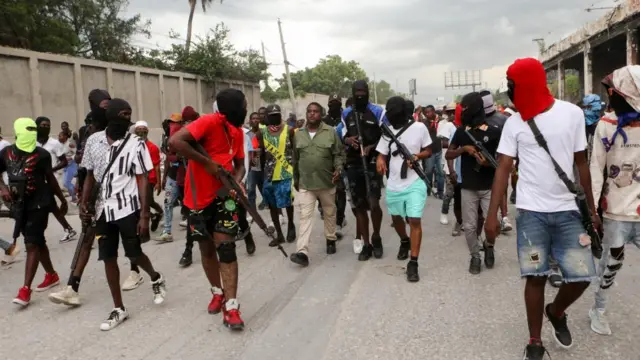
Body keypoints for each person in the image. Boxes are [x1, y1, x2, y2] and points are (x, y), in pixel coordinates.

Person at [484, 58, 598, 359]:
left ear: (528, 84)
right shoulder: (514, 123)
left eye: (512, 86)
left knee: (582, 274)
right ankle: (535, 341)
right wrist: (492, 215)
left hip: (568, 211)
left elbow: (581, 163)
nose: (510, 92)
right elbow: (503, 169)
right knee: (535, 275)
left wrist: (593, 211)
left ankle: (556, 311)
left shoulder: (572, 114)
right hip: (531, 213)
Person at [79, 98, 166, 331]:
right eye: (123, 114)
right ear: (111, 116)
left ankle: (155, 277)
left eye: (129, 115)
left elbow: (143, 178)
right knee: (108, 257)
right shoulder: (93, 141)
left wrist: (145, 216)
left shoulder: (136, 143)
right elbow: (89, 174)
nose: (126, 119)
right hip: (101, 210)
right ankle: (119, 308)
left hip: (127, 208)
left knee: (134, 253)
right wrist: (83, 202)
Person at [169, 88, 248, 331]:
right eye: (243, 105)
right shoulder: (209, 121)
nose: (246, 110)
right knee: (205, 248)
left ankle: (232, 306)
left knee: (226, 247)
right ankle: (217, 292)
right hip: (197, 198)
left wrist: (236, 180)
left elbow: (241, 164)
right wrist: (207, 164)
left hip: (225, 197)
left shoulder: (236, 132)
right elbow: (175, 142)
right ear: (235, 106)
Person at [588, 65, 640, 336]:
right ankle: (598, 310)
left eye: (613, 91)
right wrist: (592, 210)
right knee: (610, 266)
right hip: (616, 213)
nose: (610, 95)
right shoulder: (606, 126)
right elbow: (596, 168)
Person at [48, 89, 113, 306]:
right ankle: (72, 287)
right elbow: (86, 168)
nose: (106, 108)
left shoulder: (116, 128)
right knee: (87, 236)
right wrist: (82, 195)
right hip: (93, 190)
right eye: (102, 105)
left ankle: (142, 271)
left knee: (127, 238)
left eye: (107, 105)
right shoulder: (87, 130)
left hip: (117, 192)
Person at [4, 118, 68, 306]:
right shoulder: (5, 153)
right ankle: (52, 275)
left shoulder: (42, 155)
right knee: (37, 241)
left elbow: (50, 178)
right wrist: (3, 189)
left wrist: (62, 199)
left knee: (31, 243)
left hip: (40, 204)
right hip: (19, 205)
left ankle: (25, 290)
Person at [376, 97, 432, 282]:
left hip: (415, 181)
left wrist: (417, 156)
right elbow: (382, 154)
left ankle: (413, 263)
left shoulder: (419, 128)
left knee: (414, 219)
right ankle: (404, 240)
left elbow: (429, 150)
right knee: (397, 218)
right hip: (394, 183)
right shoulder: (387, 131)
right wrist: (380, 161)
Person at [445, 92, 501, 275]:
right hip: (468, 186)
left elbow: (503, 160)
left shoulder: (493, 131)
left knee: (495, 225)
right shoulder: (461, 132)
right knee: (469, 227)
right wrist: (464, 149)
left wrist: (487, 162)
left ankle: (488, 244)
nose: (463, 111)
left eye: (466, 107)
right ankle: (475, 256)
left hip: (488, 186)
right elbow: (448, 154)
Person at [290, 102, 345, 266]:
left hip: (327, 181)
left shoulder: (330, 132)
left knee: (329, 213)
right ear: (306, 114)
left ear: (321, 114)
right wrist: (296, 180)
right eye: (309, 111)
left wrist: (338, 168)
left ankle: (330, 239)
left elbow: (339, 153)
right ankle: (302, 252)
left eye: (315, 111)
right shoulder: (298, 134)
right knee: (305, 217)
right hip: (306, 183)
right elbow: (295, 159)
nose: (312, 114)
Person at [336, 80, 385, 260]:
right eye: (356, 91)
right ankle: (366, 244)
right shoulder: (347, 113)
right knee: (359, 207)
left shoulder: (378, 111)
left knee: (374, 203)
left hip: (372, 162)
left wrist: (373, 147)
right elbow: (341, 134)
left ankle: (377, 236)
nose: (359, 94)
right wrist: (349, 140)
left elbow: (386, 135)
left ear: (367, 92)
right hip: (354, 162)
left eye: (362, 91)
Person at [257, 104, 297, 246]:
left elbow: (294, 151)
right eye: (271, 115)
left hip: (286, 173)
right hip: (269, 175)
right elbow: (260, 155)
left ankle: (291, 226)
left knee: (287, 203)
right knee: (273, 206)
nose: (274, 117)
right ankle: (279, 234)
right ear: (267, 117)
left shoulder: (289, 130)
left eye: (276, 114)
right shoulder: (261, 133)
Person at [35, 117, 77, 243]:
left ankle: (35, 237)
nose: (46, 128)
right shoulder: (32, 142)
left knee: (46, 206)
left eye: (48, 125)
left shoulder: (54, 144)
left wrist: (51, 169)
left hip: (50, 179)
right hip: (36, 180)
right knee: (51, 206)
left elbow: (64, 161)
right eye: (43, 125)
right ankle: (68, 229)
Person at [480, 90, 513, 233]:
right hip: (483, 161)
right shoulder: (480, 120)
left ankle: (504, 217)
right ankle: (490, 218)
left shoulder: (503, 120)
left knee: (502, 188)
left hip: (501, 159)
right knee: (489, 190)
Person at [319, 94, 348, 233]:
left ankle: (340, 219)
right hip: (326, 159)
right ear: (328, 104)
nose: (334, 105)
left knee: (341, 190)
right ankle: (329, 212)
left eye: (337, 102)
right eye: (332, 103)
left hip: (344, 158)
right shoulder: (323, 121)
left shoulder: (346, 118)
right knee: (326, 190)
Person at [132, 121, 164, 232]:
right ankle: (155, 215)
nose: (141, 131)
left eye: (143, 129)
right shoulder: (133, 146)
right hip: (136, 179)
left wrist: (159, 183)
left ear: (147, 131)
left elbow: (156, 166)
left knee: (147, 201)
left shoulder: (152, 147)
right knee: (141, 202)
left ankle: (157, 214)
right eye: (138, 129)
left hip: (149, 179)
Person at [157, 113, 182, 242]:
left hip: (185, 177)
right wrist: (164, 177)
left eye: (175, 122)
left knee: (190, 206)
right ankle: (167, 230)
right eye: (171, 123)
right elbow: (168, 160)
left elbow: (180, 157)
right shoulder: (167, 140)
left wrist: (173, 156)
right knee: (168, 202)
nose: (172, 125)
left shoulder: (184, 138)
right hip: (172, 176)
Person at [437, 108, 458, 225]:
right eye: (452, 113)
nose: (453, 115)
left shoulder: (465, 125)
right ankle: (444, 213)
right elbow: (443, 143)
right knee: (449, 193)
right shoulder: (449, 125)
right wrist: (455, 143)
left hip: (462, 164)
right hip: (451, 163)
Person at [420, 105, 444, 198]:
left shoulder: (441, 121)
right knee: (429, 171)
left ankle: (440, 192)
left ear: (434, 111)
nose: (427, 114)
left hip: (439, 150)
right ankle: (428, 190)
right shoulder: (424, 122)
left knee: (440, 172)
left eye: (429, 112)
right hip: (429, 152)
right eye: (426, 112)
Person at [246, 112, 264, 212]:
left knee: (263, 188)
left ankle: (269, 205)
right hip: (253, 163)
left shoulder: (263, 132)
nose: (255, 120)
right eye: (253, 118)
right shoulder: (248, 134)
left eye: (257, 118)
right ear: (250, 121)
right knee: (251, 189)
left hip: (263, 163)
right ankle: (252, 211)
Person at [58, 131, 78, 203]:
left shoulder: (70, 144)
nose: (59, 137)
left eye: (60, 136)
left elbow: (78, 153)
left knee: (66, 182)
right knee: (65, 183)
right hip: (65, 165)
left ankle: (75, 196)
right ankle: (74, 196)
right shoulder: (61, 145)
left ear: (65, 137)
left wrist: (71, 158)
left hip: (71, 164)